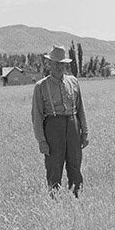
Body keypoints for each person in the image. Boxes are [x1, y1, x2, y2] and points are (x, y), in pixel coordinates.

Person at [31, 45, 89, 195]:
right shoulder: (41, 86)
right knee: (54, 168)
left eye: (62, 63)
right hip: (53, 128)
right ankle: (55, 204)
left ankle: (77, 200)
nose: (59, 66)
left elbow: (80, 108)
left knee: (75, 166)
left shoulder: (73, 82)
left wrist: (85, 133)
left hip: (73, 125)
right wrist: (41, 141)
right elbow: (37, 116)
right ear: (49, 64)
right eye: (56, 63)